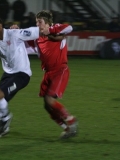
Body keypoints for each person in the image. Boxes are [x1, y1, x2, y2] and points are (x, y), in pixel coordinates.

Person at [11, 10, 78, 139]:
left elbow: (69, 28)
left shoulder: (56, 29)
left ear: (47, 23)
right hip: (48, 73)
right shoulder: (36, 38)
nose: (37, 24)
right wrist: (15, 31)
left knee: (49, 99)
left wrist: (51, 31)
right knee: (47, 106)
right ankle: (66, 128)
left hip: (60, 70)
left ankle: (71, 120)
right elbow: (21, 46)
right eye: (36, 22)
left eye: (40, 22)